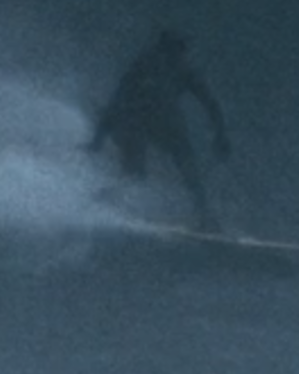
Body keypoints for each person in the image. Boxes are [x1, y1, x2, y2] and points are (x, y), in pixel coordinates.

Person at [89, 27, 231, 231]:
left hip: (158, 124)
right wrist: (98, 138)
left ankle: (205, 219)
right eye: (180, 48)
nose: (182, 53)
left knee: (184, 172)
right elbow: (118, 99)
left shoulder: (170, 67)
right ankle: (103, 204)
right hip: (144, 122)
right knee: (146, 173)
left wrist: (98, 139)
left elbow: (210, 103)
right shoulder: (150, 65)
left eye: (182, 49)